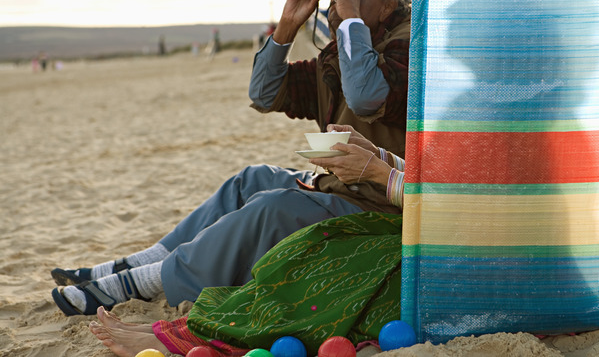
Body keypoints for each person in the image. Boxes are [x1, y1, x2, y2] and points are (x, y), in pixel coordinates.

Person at [50, 0, 412, 318]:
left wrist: (350, 19)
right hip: (345, 188)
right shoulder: (342, 51)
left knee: (273, 208)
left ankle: (147, 283)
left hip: (386, 201)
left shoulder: (410, 45)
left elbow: (367, 96)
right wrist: (286, 28)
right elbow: (264, 94)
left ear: (387, 5)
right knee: (252, 180)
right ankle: (140, 264)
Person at [88, 132, 406, 357]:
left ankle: (170, 317)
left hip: (410, 225)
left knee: (291, 237)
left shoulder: (399, 50)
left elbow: (451, 205)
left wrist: (378, 172)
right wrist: (381, 157)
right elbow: (266, 92)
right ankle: (149, 267)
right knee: (255, 182)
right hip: (368, 196)